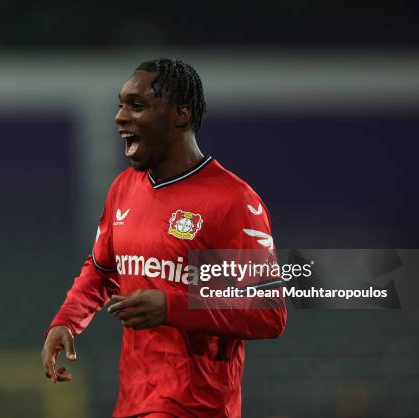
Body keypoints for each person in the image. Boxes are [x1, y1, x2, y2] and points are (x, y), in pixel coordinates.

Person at [42, 58, 287, 418]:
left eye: (137, 106)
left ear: (180, 115)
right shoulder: (124, 188)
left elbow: (269, 312)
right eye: (121, 105)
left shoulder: (232, 201)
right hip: (134, 401)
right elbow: (101, 269)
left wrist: (172, 306)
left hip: (196, 407)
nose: (120, 117)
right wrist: (66, 320)